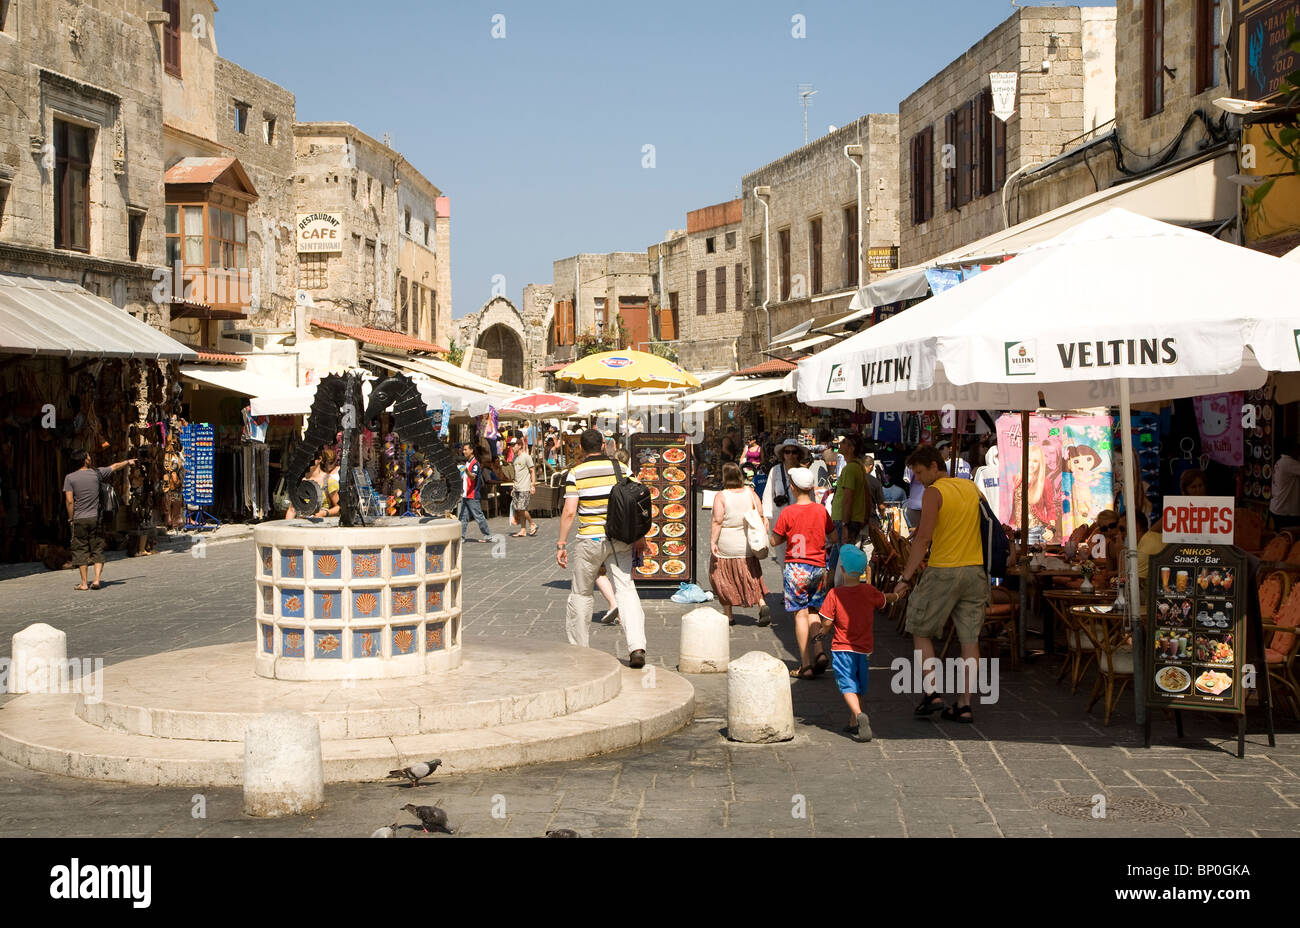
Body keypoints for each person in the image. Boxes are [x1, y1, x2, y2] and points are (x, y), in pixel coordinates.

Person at [893, 444, 988, 723]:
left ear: (935, 466)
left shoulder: (935, 492)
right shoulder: (970, 488)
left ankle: (932, 692)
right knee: (970, 639)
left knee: (919, 628)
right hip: (974, 571)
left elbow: (923, 538)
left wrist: (905, 578)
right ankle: (964, 704)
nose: (918, 479)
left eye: (920, 472)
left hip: (944, 570)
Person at [556, 428, 648, 667]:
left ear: (582, 449)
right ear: (604, 446)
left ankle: (580, 649)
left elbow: (569, 511)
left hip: (590, 539)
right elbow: (638, 499)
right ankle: (636, 647)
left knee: (581, 593)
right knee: (626, 589)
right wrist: (640, 536)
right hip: (620, 538)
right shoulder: (622, 468)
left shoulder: (575, 473)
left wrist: (561, 543)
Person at [815, 544, 888, 741]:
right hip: (865, 649)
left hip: (842, 648)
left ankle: (858, 715)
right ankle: (853, 722)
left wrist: (822, 631)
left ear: (843, 569)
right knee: (859, 684)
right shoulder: (869, 591)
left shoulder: (835, 594)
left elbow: (828, 622)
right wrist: (897, 594)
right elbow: (883, 600)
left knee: (847, 685)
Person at [770, 466, 834, 680]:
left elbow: (775, 540)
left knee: (800, 614)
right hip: (818, 567)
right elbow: (833, 537)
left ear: (793, 488)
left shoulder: (788, 512)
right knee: (814, 610)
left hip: (796, 568)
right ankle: (820, 651)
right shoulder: (821, 510)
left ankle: (805, 664)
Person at [63, 449, 137, 591]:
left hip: (79, 518)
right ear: (85, 460)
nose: (90, 457)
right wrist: (128, 462)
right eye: (88, 456)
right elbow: (114, 467)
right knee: (97, 548)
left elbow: (69, 501)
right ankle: (96, 580)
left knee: (80, 550)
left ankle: (84, 583)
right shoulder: (97, 473)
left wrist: (71, 518)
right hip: (96, 518)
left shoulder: (69, 478)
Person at [709, 462, 772, 627]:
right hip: (748, 544)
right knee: (751, 575)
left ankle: (729, 615)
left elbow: (717, 521)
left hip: (727, 544)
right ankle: (762, 604)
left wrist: (713, 542)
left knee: (721, 577)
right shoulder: (750, 493)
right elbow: (761, 514)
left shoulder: (721, 496)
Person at [828, 434, 868, 578]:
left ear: (851, 448)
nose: (841, 444)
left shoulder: (850, 469)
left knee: (844, 558)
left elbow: (848, 498)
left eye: (844, 442)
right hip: (848, 518)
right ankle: (830, 585)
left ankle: (842, 590)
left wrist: (845, 525)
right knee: (836, 556)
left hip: (844, 519)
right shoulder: (857, 467)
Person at [761, 440, 804, 563]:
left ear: (798, 454)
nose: (790, 455)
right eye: (787, 452)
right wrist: (766, 518)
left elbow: (810, 496)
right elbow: (768, 494)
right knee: (782, 558)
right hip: (779, 518)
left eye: (793, 452)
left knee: (797, 557)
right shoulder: (775, 470)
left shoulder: (803, 472)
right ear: (783, 454)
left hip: (798, 520)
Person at [285, 447, 341, 519]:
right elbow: (292, 510)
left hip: (321, 526)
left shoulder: (329, 481)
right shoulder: (299, 482)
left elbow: (339, 508)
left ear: (319, 459)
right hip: (301, 526)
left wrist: (325, 513)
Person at [458, 442, 493, 542]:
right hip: (466, 494)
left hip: (472, 495)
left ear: (471, 450)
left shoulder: (475, 464)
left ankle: (487, 535)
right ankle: (461, 537)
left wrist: (465, 470)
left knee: (478, 516)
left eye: (465, 449)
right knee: (463, 517)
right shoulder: (468, 463)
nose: (463, 451)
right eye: (463, 450)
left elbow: (473, 477)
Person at [509, 436, 537, 538]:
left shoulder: (526, 457)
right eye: (511, 445)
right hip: (517, 487)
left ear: (520, 445)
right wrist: (513, 487)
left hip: (525, 487)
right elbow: (516, 474)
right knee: (518, 509)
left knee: (522, 508)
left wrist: (532, 485)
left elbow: (532, 471)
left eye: (513, 445)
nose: (512, 447)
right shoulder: (514, 458)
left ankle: (532, 523)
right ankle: (523, 529)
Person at [1271, 442, 1300, 530]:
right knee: (1289, 539)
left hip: (1277, 507)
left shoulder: (1280, 462)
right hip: (1284, 511)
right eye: (1297, 448)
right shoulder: (1289, 463)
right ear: (1292, 450)